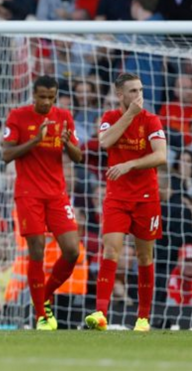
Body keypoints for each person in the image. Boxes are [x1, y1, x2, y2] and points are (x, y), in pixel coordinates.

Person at [86, 73, 167, 332]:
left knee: (144, 256)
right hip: (117, 198)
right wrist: (130, 115)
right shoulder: (110, 118)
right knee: (110, 251)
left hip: (146, 198)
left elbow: (161, 156)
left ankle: (143, 318)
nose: (139, 95)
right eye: (133, 91)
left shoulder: (152, 120)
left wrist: (130, 163)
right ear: (120, 95)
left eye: (140, 90)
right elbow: (105, 142)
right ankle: (100, 314)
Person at [3, 75, 83, 331]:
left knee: (72, 251)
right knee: (36, 249)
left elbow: (78, 157)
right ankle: (41, 315)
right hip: (28, 194)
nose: (47, 102)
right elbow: (6, 155)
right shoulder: (18, 116)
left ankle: (45, 295)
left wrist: (68, 144)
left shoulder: (64, 116)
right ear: (33, 95)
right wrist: (36, 140)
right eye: (42, 97)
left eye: (51, 97)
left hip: (57, 194)